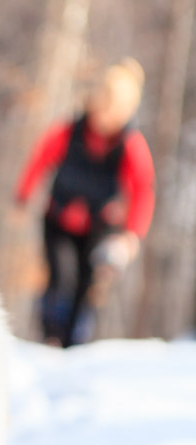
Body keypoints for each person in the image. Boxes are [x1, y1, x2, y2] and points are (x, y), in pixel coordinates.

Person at [14, 58, 155, 347]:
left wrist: (132, 234)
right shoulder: (69, 131)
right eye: (100, 106)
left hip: (99, 224)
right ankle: (50, 334)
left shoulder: (130, 145)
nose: (102, 116)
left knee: (86, 284)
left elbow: (142, 189)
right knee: (59, 275)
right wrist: (24, 195)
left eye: (110, 110)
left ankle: (73, 343)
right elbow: (41, 157)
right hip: (58, 217)